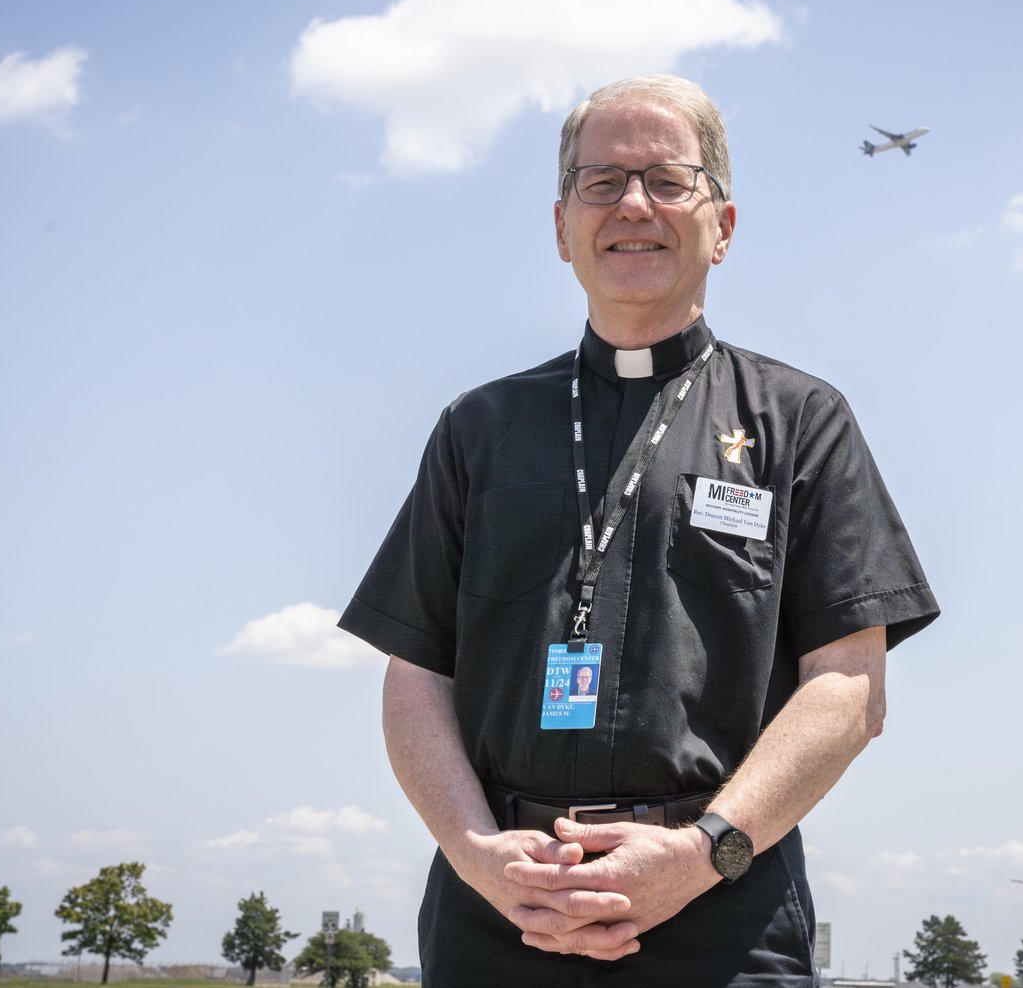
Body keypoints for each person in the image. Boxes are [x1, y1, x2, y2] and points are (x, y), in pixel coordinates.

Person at [340, 74, 939, 986]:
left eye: (667, 179)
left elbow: (850, 688)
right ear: (560, 227)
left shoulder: (801, 420)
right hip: (503, 911)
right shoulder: (480, 428)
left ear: (723, 226)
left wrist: (704, 853)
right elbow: (416, 671)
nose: (632, 205)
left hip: (725, 907)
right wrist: (477, 856)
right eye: (601, 181)